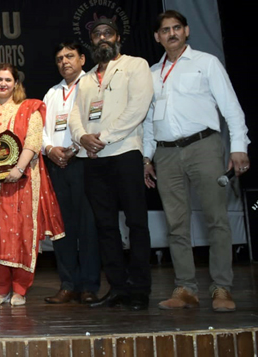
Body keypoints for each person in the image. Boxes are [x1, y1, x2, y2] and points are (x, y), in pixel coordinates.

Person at [143, 10, 250, 312]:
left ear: (187, 31)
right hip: (165, 154)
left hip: (204, 146)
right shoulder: (151, 74)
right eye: (165, 30)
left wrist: (239, 147)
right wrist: (146, 158)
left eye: (177, 28)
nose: (172, 33)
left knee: (216, 220)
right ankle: (186, 288)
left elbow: (231, 108)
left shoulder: (207, 63)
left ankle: (221, 288)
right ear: (157, 36)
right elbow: (149, 122)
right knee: (176, 225)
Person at [69, 18, 154, 311]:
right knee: (105, 227)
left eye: (108, 33)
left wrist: (102, 137)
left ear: (117, 37)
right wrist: (82, 137)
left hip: (125, 153)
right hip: (93, 160)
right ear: (91, 42)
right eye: (97, 35)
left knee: (136, 224)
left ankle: (140, 289)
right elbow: (74, 117)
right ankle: (117, 287)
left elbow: (137, 109)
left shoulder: (136, 65)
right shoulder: (87, 77)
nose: (102, 38)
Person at [0, 63, 64, 306]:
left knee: (21, 233)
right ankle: (0, 288)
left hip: (22, 181)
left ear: (16, 84)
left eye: (8, 80)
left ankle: (20, 289)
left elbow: (33, 141)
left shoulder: (28, 109)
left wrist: (18, 169)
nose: (3, 84)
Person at [41, 41, 101, 304]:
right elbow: (40, 130)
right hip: (56, 164)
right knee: (61, 228)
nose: (64, 61)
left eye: (70, 56)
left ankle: (89, 285)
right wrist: (49, 149)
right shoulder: (51, 93)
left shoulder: (93, 86)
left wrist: (74, 149)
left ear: (82, 59)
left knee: (88, 227)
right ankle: (67, 284)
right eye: (59, 58)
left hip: (85, 162)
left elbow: (97, 120)